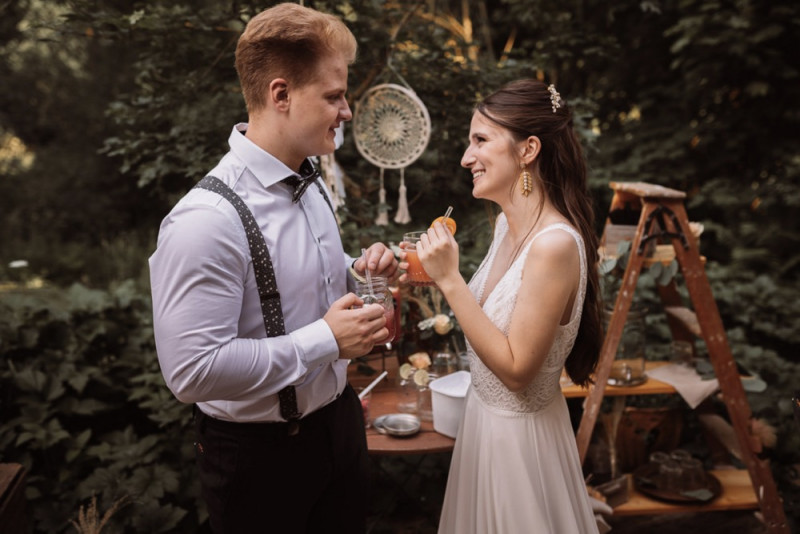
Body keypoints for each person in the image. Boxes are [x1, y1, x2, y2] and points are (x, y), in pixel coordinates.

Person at [148, 4, 397, 533]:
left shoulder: (312, 178)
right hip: (261, 462)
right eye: (334, 96)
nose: (347, 110)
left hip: (341, 428)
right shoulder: (204, 221)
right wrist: (326, 339)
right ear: (280, 94)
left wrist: (363, 271)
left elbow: (301, 285)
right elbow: (192, 371)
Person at [404, 79, 603, 533]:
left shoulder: (554, 245)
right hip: (482, 430)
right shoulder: (503, 229)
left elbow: (516, 370)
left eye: (480, 140)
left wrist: (450, 280)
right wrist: (421, 273)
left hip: (522, 448)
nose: (466, 158)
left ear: (528, 149)